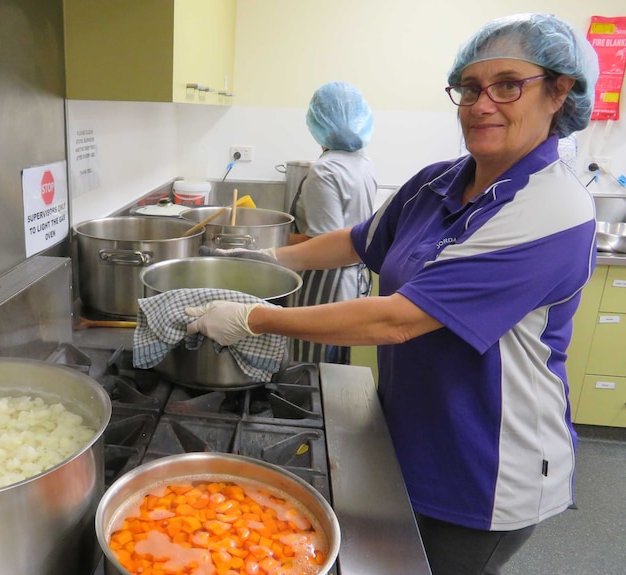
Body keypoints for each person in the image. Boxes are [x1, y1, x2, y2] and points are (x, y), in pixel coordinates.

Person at [185, 13, 599, 575]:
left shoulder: (550, 210)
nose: (481, 105)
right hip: (410, 433)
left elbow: (397, 321)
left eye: (507, 85)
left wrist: (253, 318)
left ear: (559, 92)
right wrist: (267, 259)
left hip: (486, 466)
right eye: (470, 88)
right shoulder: (440, 180)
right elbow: (358, 241)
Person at [288, 81, 376, 365]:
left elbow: (325, 245)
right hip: (352, 283)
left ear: (317, 121)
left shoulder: (325, 171)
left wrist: (271, 243)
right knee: (334, 369)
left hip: (326, 286)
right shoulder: (361, 162)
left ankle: (303, 411)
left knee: (310, 367)